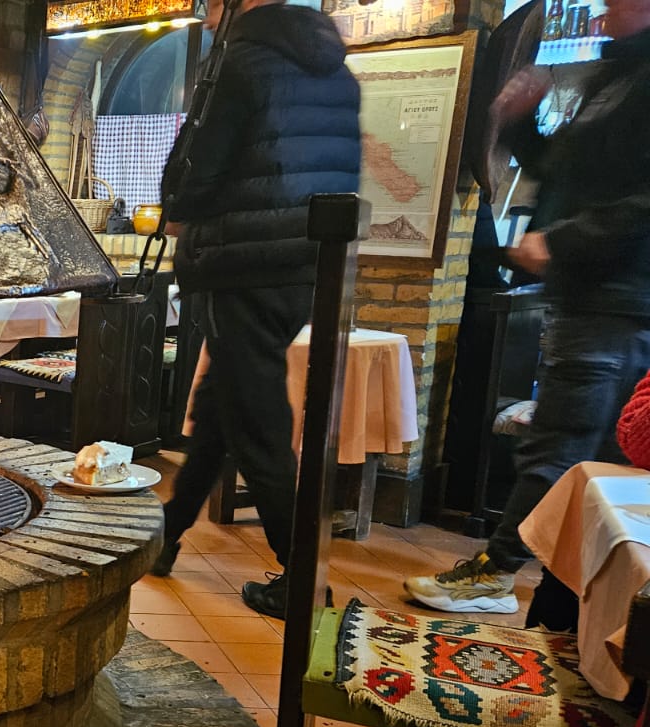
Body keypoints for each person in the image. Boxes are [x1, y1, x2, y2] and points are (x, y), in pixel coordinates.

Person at [404, 0, 650, 615]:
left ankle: (498, 574)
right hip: (587, 295)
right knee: (585, 452)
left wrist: (563, 241)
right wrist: (521, 123)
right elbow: (564, 173)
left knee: (561, 445)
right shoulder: (618, 73)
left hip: (616, 302)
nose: (606, 9)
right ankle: (566, 600)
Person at [148, 0, 362, 619]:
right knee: (223, 404)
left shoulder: (240, 63)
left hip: (240, 261)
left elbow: (194, 173)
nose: (208, 19)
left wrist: (176, 207)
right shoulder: (335, 71)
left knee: (259, 423)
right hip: (302, 265)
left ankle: (302, 581)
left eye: (212, 6)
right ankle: (167, 536)